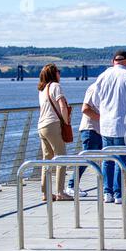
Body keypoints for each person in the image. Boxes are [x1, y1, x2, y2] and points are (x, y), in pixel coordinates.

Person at [91, 50, 126, 205]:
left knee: (108, 159)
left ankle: (107, 193)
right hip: (125, 124)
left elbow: (95, 101)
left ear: (112, 61)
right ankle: (119, 194)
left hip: (106, 124)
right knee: (122, 160)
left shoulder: (102, 76)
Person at [37, 64, 73, 202]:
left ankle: (46, 192)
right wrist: (66, 122)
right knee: (61, 157)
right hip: (52, 125)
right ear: (54, 74)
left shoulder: (42, 89)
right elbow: (62, 106)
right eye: (59, 72)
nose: (60, 74)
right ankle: (60, 192)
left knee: (47, 159)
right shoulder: (55, 87)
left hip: (42, 125)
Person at [65, 83, 102, 197]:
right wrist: (103, 119)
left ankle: (114, 186)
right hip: (90, 129)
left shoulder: (106, 88)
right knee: (85, 159)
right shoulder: (94, 88)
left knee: (106, 159)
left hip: (101, 130)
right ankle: (71, 185)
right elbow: (85, 109)